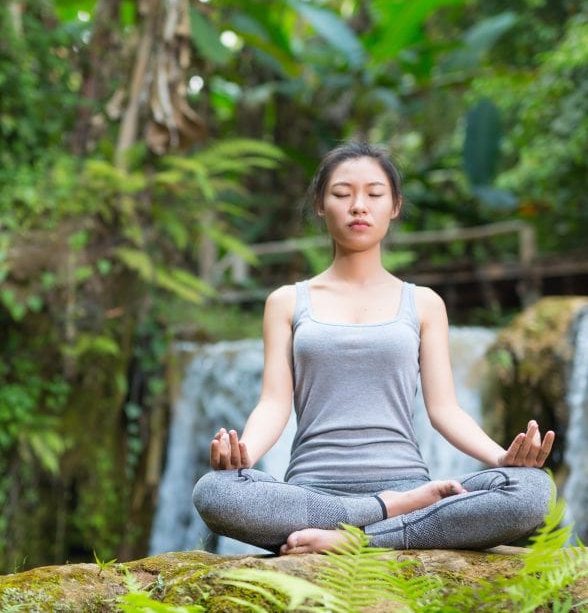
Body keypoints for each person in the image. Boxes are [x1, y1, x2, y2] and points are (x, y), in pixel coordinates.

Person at [192, 141, 555, 555]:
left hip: (412, 487)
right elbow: (274, 404)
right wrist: (244, 457)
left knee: (531, 490)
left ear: (395, 206)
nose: (358, 206)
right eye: (342, 194)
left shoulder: (423, 303)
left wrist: (502, 459)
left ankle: (358, 539)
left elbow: (444, 410)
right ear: (320, 205)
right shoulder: (286, 302)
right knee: (214, 491)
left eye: (374, 194)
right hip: (313, 494)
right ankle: (384, 514)